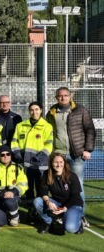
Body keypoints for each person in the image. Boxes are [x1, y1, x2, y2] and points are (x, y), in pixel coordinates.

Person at [46, 86, 95, 224]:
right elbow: (49, 132)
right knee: (59, 186)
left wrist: (88, 149)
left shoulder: (81, 110)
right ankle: (62, 212)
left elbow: (90, 130)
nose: (63, 98)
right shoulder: (51, 112)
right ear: (56, 97)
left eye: (65, 95)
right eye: (60, 96)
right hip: (59, 154)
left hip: (77, 154)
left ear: (70, 96)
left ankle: (81, 213)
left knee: (77, 184)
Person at [11, 102, 53, 216]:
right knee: (27, 188)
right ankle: (31, 210)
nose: (34, 112)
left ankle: (41, 212)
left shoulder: (47, 126)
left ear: (41, 110)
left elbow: (49, 144)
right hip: (24, 163)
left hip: (40, 164)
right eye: (32, 110)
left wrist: (39, 157)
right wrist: (17, 154)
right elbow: (14, 141)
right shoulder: (21, 125)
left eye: (37, 109)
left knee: (40, 189)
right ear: (29, 111)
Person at [33, 153, 84, 235]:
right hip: (58, 203)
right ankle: (48, 222)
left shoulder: (72, 176)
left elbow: (75, 196)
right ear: (51, 163)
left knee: (70, 228)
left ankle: (79, 221)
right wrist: (48, 202)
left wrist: (64, 208)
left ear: (64, 163)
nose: (58, 164)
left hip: (73, 205)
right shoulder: (47, 174)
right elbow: (43, 191)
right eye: (56, 162)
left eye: (61, 162)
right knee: (37, 201)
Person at [0, 145, 28, 227]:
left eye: (8, 154)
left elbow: (24, 184)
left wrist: (13, 192)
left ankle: (15, 217)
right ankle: (9, 214)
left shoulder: (18, 168)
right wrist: (1, 195)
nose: (6, 156)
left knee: (9, 201)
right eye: (2, 155)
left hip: (13, 196)